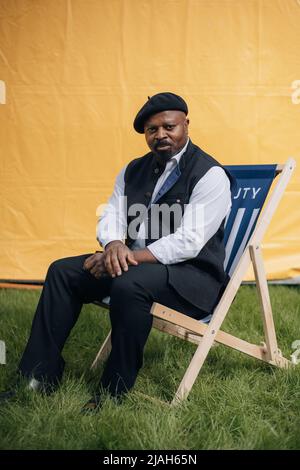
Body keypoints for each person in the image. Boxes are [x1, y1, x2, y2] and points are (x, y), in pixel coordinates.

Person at [0, 92, 232, 412]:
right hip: (135, 267)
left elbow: (189, 241)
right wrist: (112, 245)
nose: (160, 135)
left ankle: (113, 392)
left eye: (169, 126)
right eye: (152, 130)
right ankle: (38, 377)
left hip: (192, 281)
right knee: (63, 271)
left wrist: (127, 257)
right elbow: (112, 214)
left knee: (128, 283)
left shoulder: (210, 174)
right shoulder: (132, 170)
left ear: (186, 124)